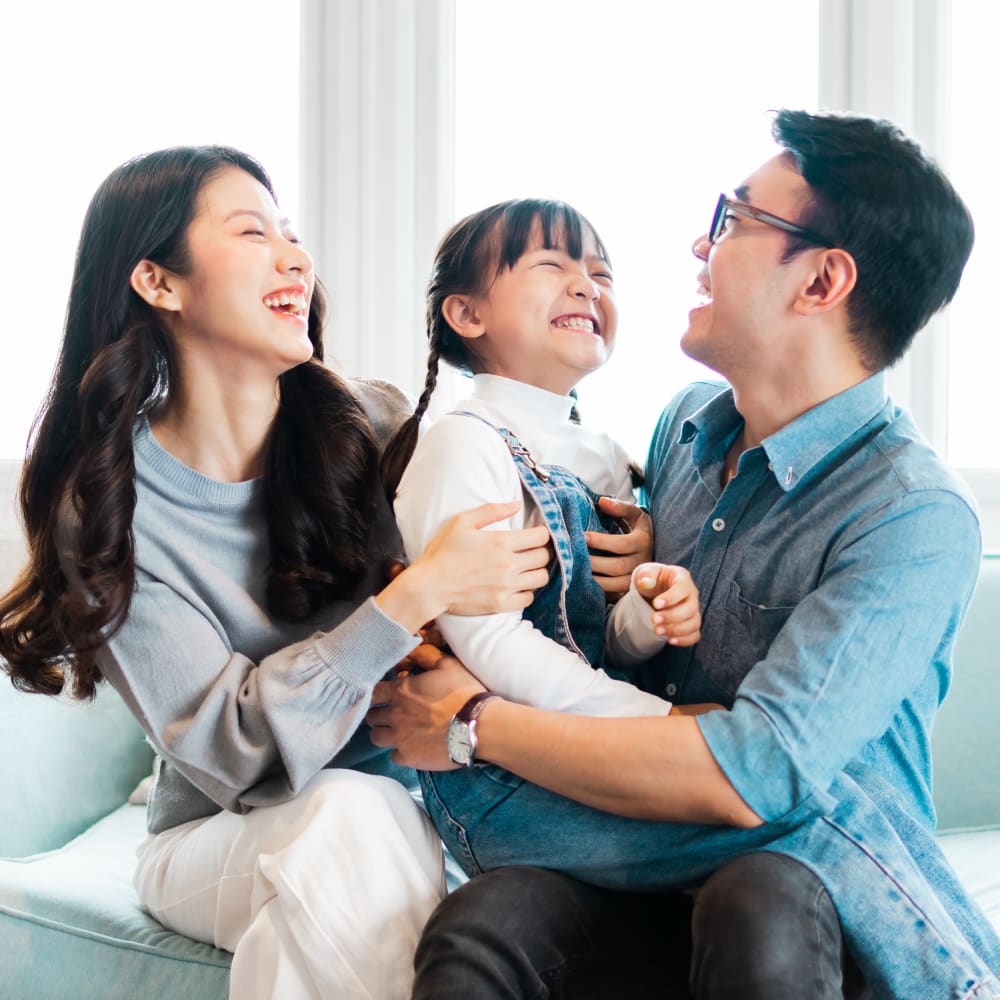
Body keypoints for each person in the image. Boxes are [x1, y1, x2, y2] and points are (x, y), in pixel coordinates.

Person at [367, 110, 1000, 999]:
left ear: (822, 280)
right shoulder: (680, 431)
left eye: (733, 220)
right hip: (624, 844)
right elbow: (596, 623)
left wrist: (472, 724)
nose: (698, 245)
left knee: (766, 895)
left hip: (787, 890)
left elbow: (757, 774)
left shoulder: (912, 517)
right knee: (483, 926)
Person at [0, 145, 555, 1000]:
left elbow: (517, 540)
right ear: (159, 282)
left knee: (346, 872)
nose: (295, 255)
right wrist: (411, 599)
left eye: (291, 234)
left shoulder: (371, 425)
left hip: (422, 816)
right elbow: (239, 754)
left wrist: (614, 542)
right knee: (351, 816)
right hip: (221, 835)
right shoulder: (111, 507)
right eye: (254, 232)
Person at [381, 197, 703, 733]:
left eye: (601, 273)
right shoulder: (464, 443)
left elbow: (605, 645)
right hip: (493, 757)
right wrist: (660, 723)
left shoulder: (606, 456)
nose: (587, 286)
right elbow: (489, 643)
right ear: (467, 313)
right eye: (552, 265)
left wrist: (648, 609)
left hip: (587, 739)